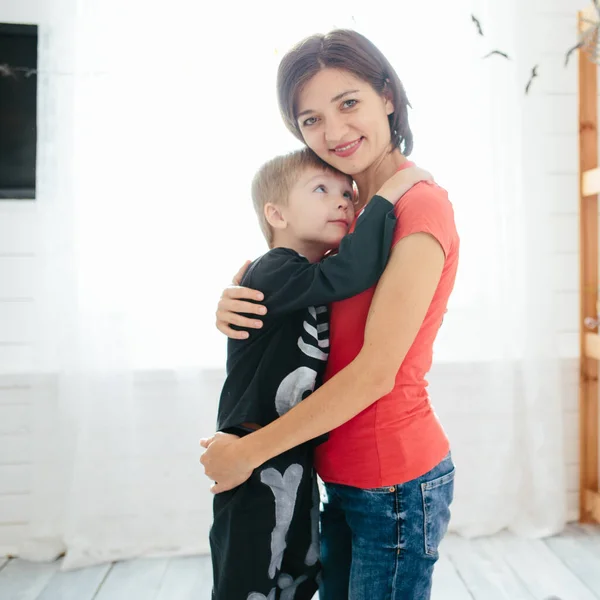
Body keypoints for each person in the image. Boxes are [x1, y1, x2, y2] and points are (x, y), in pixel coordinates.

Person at [201, 28, 460, 600]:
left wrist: (248, 451)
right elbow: (305, 300)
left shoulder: (415, 206)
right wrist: (241, 306)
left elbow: (374, 372)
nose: (334, 131)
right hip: (339, 474)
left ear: (387, 96)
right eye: (311, 119)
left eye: (349, 103)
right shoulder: (348, 212)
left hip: (392, 478)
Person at [209, 146, 431, 600]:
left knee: (298, 574)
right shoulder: (273, 269)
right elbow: (351, 270)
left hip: (290, 451)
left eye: (349, 194)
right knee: (247, 579)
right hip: (253, 455)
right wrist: (389, 195)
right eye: (322, 190)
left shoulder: (307, 277)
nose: (343, 201)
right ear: (277, 213)